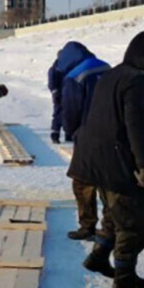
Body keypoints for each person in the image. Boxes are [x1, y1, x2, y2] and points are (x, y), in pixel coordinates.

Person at [67, 30, 144, 288]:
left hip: (96, 159)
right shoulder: (136, 81)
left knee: (114, 214)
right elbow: (136, 125)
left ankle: (98, 258)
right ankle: (124, 277)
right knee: (134, 223)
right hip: (117, 161)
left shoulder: (113, 74)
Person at [48, 41, 112, 241]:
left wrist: (71, 131)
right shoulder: (107, 67)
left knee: (82, 183)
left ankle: (87, 226)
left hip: (88, 136)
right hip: (112, 136)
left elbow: (71, 111)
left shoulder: (74, 77)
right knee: (108, 184)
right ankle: (111, 227)